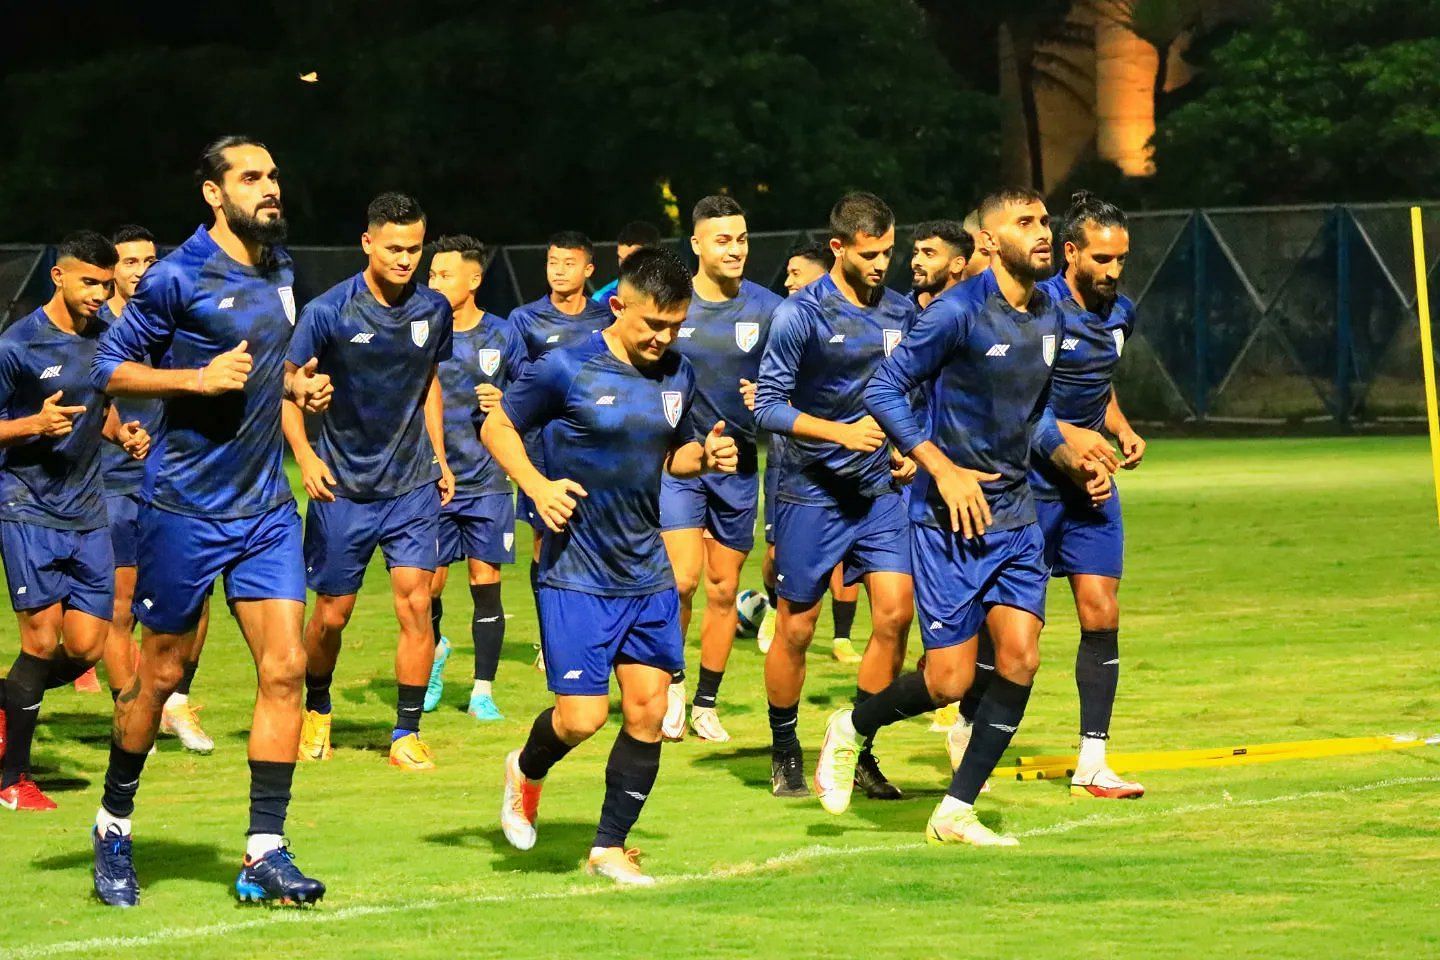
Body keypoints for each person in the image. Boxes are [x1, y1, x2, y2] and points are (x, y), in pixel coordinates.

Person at [812, 187, 1111, 847]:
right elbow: (883, 389)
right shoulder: (956, 313)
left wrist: (1067, 455)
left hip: (1014, 517)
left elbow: (1032, 417)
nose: (1041, 232)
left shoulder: (1049, 318)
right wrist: (940, 468)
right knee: (947, 678)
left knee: (1021, 659)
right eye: (1024, 223)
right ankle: (853, 727)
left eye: (1042, 221)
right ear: (988, 241)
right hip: (946, 523)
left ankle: (955, 809)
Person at [90, 135, 332, 906]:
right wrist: (194, 379)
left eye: (274, 175)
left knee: (286, 667)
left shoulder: (280, 267)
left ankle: (266, 848)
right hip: (184, 508)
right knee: (160, 675)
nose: (271, 189)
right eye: (252, 177)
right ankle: (114, 825)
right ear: (213, 192)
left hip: (263, 508)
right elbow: (109, 369)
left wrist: (294, 385)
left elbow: (267, 357)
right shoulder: (175, 277)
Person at [485, 247, 737, 885]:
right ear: (618, 306)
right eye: (653, 324)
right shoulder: (565, 368)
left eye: (675, 325)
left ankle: (608, 847)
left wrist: (703, 458)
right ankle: (526, 770)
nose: (663, 337)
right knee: (582, 718)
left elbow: (673, 455)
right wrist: (538, 487)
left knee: (648, 712)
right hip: (576, 571)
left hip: (645, 567)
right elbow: (497, 427)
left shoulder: (679, 374)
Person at [951, 191, 1146, 800]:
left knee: (1102, 611)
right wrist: (1072, 446)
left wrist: (1119, 427)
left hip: (1090, 484)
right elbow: (1026, 407)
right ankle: (965, 719)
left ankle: (1093, 759)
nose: (1114, 272)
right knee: (1015, 636)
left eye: (1122, 260)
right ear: (1070, 252)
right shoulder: (1039, 309)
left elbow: (1098, 385)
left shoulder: (1122, 314)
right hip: (1030, 487)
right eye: (1102, 259)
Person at [754, 193, 917, 802]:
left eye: (889, 252)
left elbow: (910, 391)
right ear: (838, 248)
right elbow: (768, 405)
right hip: (810, 489)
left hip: (880, 490)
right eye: (871, 253)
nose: (882, 264)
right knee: (797, 628)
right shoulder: (801, 315)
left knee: (896, 614)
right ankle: (784, 747)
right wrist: (842, 433)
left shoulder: (903, 311)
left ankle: (856, 744)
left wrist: (906, 445)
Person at [285, 193, 455, 771]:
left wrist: (440, 454)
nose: (406, 259)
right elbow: (288, 387)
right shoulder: (328, 312)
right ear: (368, 243)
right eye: (395, 248)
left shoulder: (434, 310)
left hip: (411, 484)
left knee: (417, 603)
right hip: (343, 487)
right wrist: (306, 456)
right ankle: (317, 708)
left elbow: (429, 380)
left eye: (415, 248)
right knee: (333, 614)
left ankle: (406, 733)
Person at [0, 231, 149, 810]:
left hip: (87, 509)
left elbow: (100, 410)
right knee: (40, 639)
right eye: (89, 281)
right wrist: (30, 426)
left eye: (105, 284)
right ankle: (12, 780)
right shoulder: (18, 345)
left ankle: (10, 699)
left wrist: (122, 433)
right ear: (57, 276)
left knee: (86, 646)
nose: (99, 293)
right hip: (26, 505)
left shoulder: (108, 338)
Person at [658, 196, 783, 743]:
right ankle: (672, 688)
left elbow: (790, 384)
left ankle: (707, 703)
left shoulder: (770, 309)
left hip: (737, 465)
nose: (734, 250)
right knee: (680, 580)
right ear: (697, 245)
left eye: (741, 239)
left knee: (722, 589)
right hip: (679, 463)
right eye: (722, 240)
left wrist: (770, 402)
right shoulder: (673, 303)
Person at [96, 224, 216, 753]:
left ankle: (175, 701)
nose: (141, 270)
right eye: (129, 262)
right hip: (113, 481)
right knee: (121, 604)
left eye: (149, 260)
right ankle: (133, 707)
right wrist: (120, 433)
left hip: (177, 477)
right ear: (112, 271)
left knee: (196, 595)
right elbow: (89, 389)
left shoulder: (175, 319)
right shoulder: (97, 326)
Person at [425, 234, 528, 720]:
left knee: (485, 583)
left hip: (488, 480)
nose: (434, 281)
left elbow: (531, 398)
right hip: (432, 481)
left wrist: (506, 404)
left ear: (473, 279)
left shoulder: (504, 335)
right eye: (432, 274)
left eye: (444, 274)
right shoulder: (421, 330)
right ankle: (435, 651)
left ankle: (482, 691)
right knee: (426, 587)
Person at [507, 232, 614, 667]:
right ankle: (550, 638)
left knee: (599, 539)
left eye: (569, 263)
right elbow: (518, 386)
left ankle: (597, 633)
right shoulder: (524, 319)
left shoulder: (604, 318)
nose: (559, 270)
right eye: (553, 262)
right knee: (544, 541)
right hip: (541, 450)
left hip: (597, 449)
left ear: (589, 269)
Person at [592, 221, 663, 303]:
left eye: (631, 260)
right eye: (620, 258)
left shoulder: (675, 293)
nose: (623, 266)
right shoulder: (602, 299)